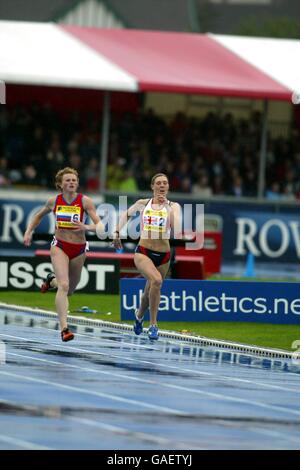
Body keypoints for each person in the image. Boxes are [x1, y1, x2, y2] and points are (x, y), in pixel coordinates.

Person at [24, 167, 103, 342]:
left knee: (70, 291)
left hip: (79, 248)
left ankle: (50, 281)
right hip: (59, 246)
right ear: (60, 184)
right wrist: (29, 231)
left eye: (74, 180)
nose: (71, 183)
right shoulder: (54, 201)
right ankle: (64, 329)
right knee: (64, 285)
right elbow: (38, 216)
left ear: (78, 183)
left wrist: (86, 227)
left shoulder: (85, 201)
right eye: (67, 180)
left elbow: (100, 226)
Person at [113, 173, 181, 340]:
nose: (162, 186)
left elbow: (177, 229)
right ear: (153, 187)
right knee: (156, 280)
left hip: (164, 255)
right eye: (159, 183)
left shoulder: (174, 206)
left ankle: (138, 316)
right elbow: (126, 215)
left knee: (149, 290)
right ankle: (153, 325)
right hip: (143, 251)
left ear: (168, 187)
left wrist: (167, 208)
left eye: (165, 183)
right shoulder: (143, 204)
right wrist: (116, 232)